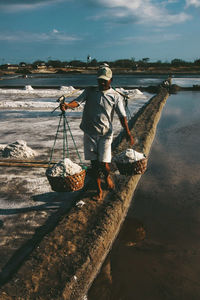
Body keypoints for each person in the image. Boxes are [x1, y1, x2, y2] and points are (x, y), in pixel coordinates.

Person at [60, 65, 134, 200]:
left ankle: (107, 176)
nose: (102, 83)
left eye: (105, 80)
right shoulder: (90, 91)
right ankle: (99, 190)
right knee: (94, 165)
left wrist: (128, 133)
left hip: (105, 134)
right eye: (100, 80)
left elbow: (122, 116)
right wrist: (67, 105)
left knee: (104, 164)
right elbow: (78, 101)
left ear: (111, 80)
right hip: (89, 132)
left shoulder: (115, 96)